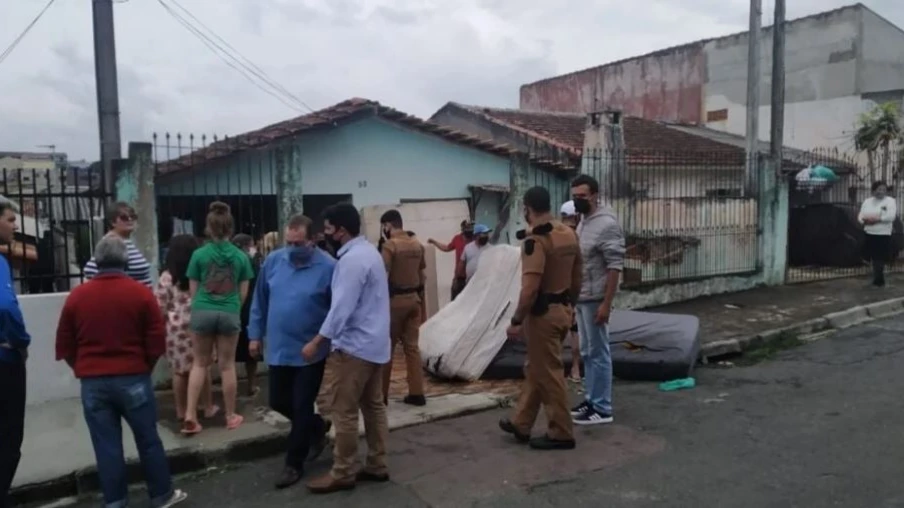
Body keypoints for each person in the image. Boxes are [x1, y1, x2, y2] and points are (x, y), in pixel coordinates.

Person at [55, 236, 187, 508]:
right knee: (148, 440)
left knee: (107, 446)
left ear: (97, 261)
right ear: (125, 260)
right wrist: (144, 368)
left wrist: (83, 367)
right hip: (133, 377)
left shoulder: (78, 296)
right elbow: (155, 340)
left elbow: (65, 344)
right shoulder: (139, 294)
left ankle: (115, 501)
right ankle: (161, 495)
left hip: (93, 382)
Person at [303, 203, 391, 494]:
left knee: (345, 411)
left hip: (354, 348)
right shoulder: (370, 254)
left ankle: (343, 472)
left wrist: (318, 341)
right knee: (374, 406)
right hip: (374, 344)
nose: (324, 235)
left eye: (328, 229)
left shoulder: (351, 261)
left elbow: (341, 309)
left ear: (340, 230)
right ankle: (377, 464)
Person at [247, 214, 336, 489]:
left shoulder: (329, 267)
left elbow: (337, 310)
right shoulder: (274, 261)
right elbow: (259, 300)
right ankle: (317, 427)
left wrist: (325, 341)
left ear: (313, 240)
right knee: (278, 401)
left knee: (300, 404)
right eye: (289, 242)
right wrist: (254, 335)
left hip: (311, 352)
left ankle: (293, 464)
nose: (293, 247)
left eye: (299, 242)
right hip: (280, 348)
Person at [498, 186, 582, 451]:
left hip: (542, 315)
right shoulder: (568, 234)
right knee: (537, 368)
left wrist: (516, 320)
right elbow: (578, 277)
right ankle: (522, 423)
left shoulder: (535, 241)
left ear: (527, 209)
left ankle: (561, 432)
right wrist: (570, 305)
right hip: (563, 309)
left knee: (550, 374)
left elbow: (530, 289)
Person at [182, 202, 255, 435]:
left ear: (209, 228)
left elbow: (193, 291)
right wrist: (232, 308)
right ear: (230, 228)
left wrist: (202, 307)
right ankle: (231, 415)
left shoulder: (199, 254)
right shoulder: (241, 256)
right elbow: (244, 292)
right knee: (226, 366)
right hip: (229, 312)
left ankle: (191, 415)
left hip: (202, 310)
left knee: (200, 363)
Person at [569, 174, 624, 426]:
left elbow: (615, 267)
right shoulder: (583, 222)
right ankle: (591, 399)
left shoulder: (607, 224)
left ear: (594, 195)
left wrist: (606, 304)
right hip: (582, 297)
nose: (577, 200)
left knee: (599, 353)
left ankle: (602, 407)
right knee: (587, 352)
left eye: (582, 196)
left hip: (596, 298)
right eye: (574, 196)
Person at [155, 235, 219, 424]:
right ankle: (207, 407)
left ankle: (181, 411)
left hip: (175, 331)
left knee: (179, 372)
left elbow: (160, 306)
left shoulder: (166, 277)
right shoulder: (203, 273)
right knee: (203, 367)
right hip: (200, 324)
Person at [378, 209, 427, 407]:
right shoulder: (417, 243)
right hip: (414, 300)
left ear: (388, 226)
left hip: (394, 302)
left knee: (386, 350)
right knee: (412, 349)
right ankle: (417, 393)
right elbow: (422, 275)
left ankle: (381, 396)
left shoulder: (390, 245)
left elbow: (382, 274)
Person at [0, 196, 30, 508]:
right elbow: (6, 306)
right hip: (4, 361)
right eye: (10, 219)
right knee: (9, 435)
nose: (15, 225)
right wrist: (21, 342)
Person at [84, 201, 152, 287]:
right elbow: (90, 269)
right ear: (113, 222)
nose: (130, 220)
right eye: (124, 217)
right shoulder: (110, 243)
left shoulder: (126, 241)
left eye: (133, 216)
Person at [232, 233, 261, 397]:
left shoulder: (229, 261)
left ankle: (232, 387)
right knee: (252, 353)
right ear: (246, 246)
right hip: (250, 309)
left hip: (231, 309)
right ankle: (251, 385)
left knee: (230, 354)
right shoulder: (251, 261)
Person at [858, 181, 897, 288]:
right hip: (869, 233)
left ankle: (879, 281)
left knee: (879, 258)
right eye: (879, 189)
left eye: (883, 190)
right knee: (869, 257)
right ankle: (876, 277)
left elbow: (890, 216)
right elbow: (860, 216)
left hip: (883, 234)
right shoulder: (867, 201)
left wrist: (877, 219)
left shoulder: (890, 201)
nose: (881, 192)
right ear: (873, 190)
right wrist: (864, 221)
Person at [560, 201, 582, 382]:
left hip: (563, 291)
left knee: (563, 333)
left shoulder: (559, 235)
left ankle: (571, 369)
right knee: (574, 331)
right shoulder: (577, 235)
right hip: (572, 290)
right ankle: (574, 368)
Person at [428, 220, 473, 300]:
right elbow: (446, 248)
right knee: (454, 302)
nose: (471, 229)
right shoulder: (457, 239)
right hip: (459, 278)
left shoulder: (475, 239)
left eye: (471, 227)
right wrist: (434, 242)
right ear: (463, 229)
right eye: (468, 227)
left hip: (472, 277)